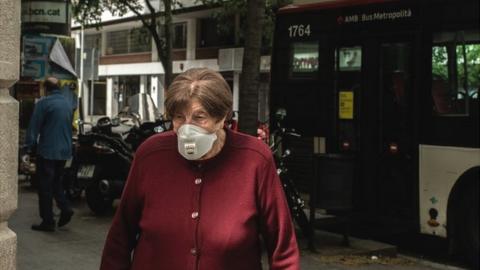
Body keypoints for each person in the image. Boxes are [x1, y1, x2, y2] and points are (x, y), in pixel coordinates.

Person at [100, 68, 300, 269]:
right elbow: (119, 239)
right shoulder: (150, 155)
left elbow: (283, 249)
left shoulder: (255, 159)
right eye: (179, 117)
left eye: (199, 118)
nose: (187, 129)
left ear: (222, 117)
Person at [25, 76, 74, 232]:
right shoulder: (67, 104)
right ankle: (65, 208)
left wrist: (28, 148)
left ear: (45, 89)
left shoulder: (43, 104)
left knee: (45, 187)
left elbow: (34, 128)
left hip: (48, 151)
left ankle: (48, 221)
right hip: (64, 151)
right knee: (57, 183)